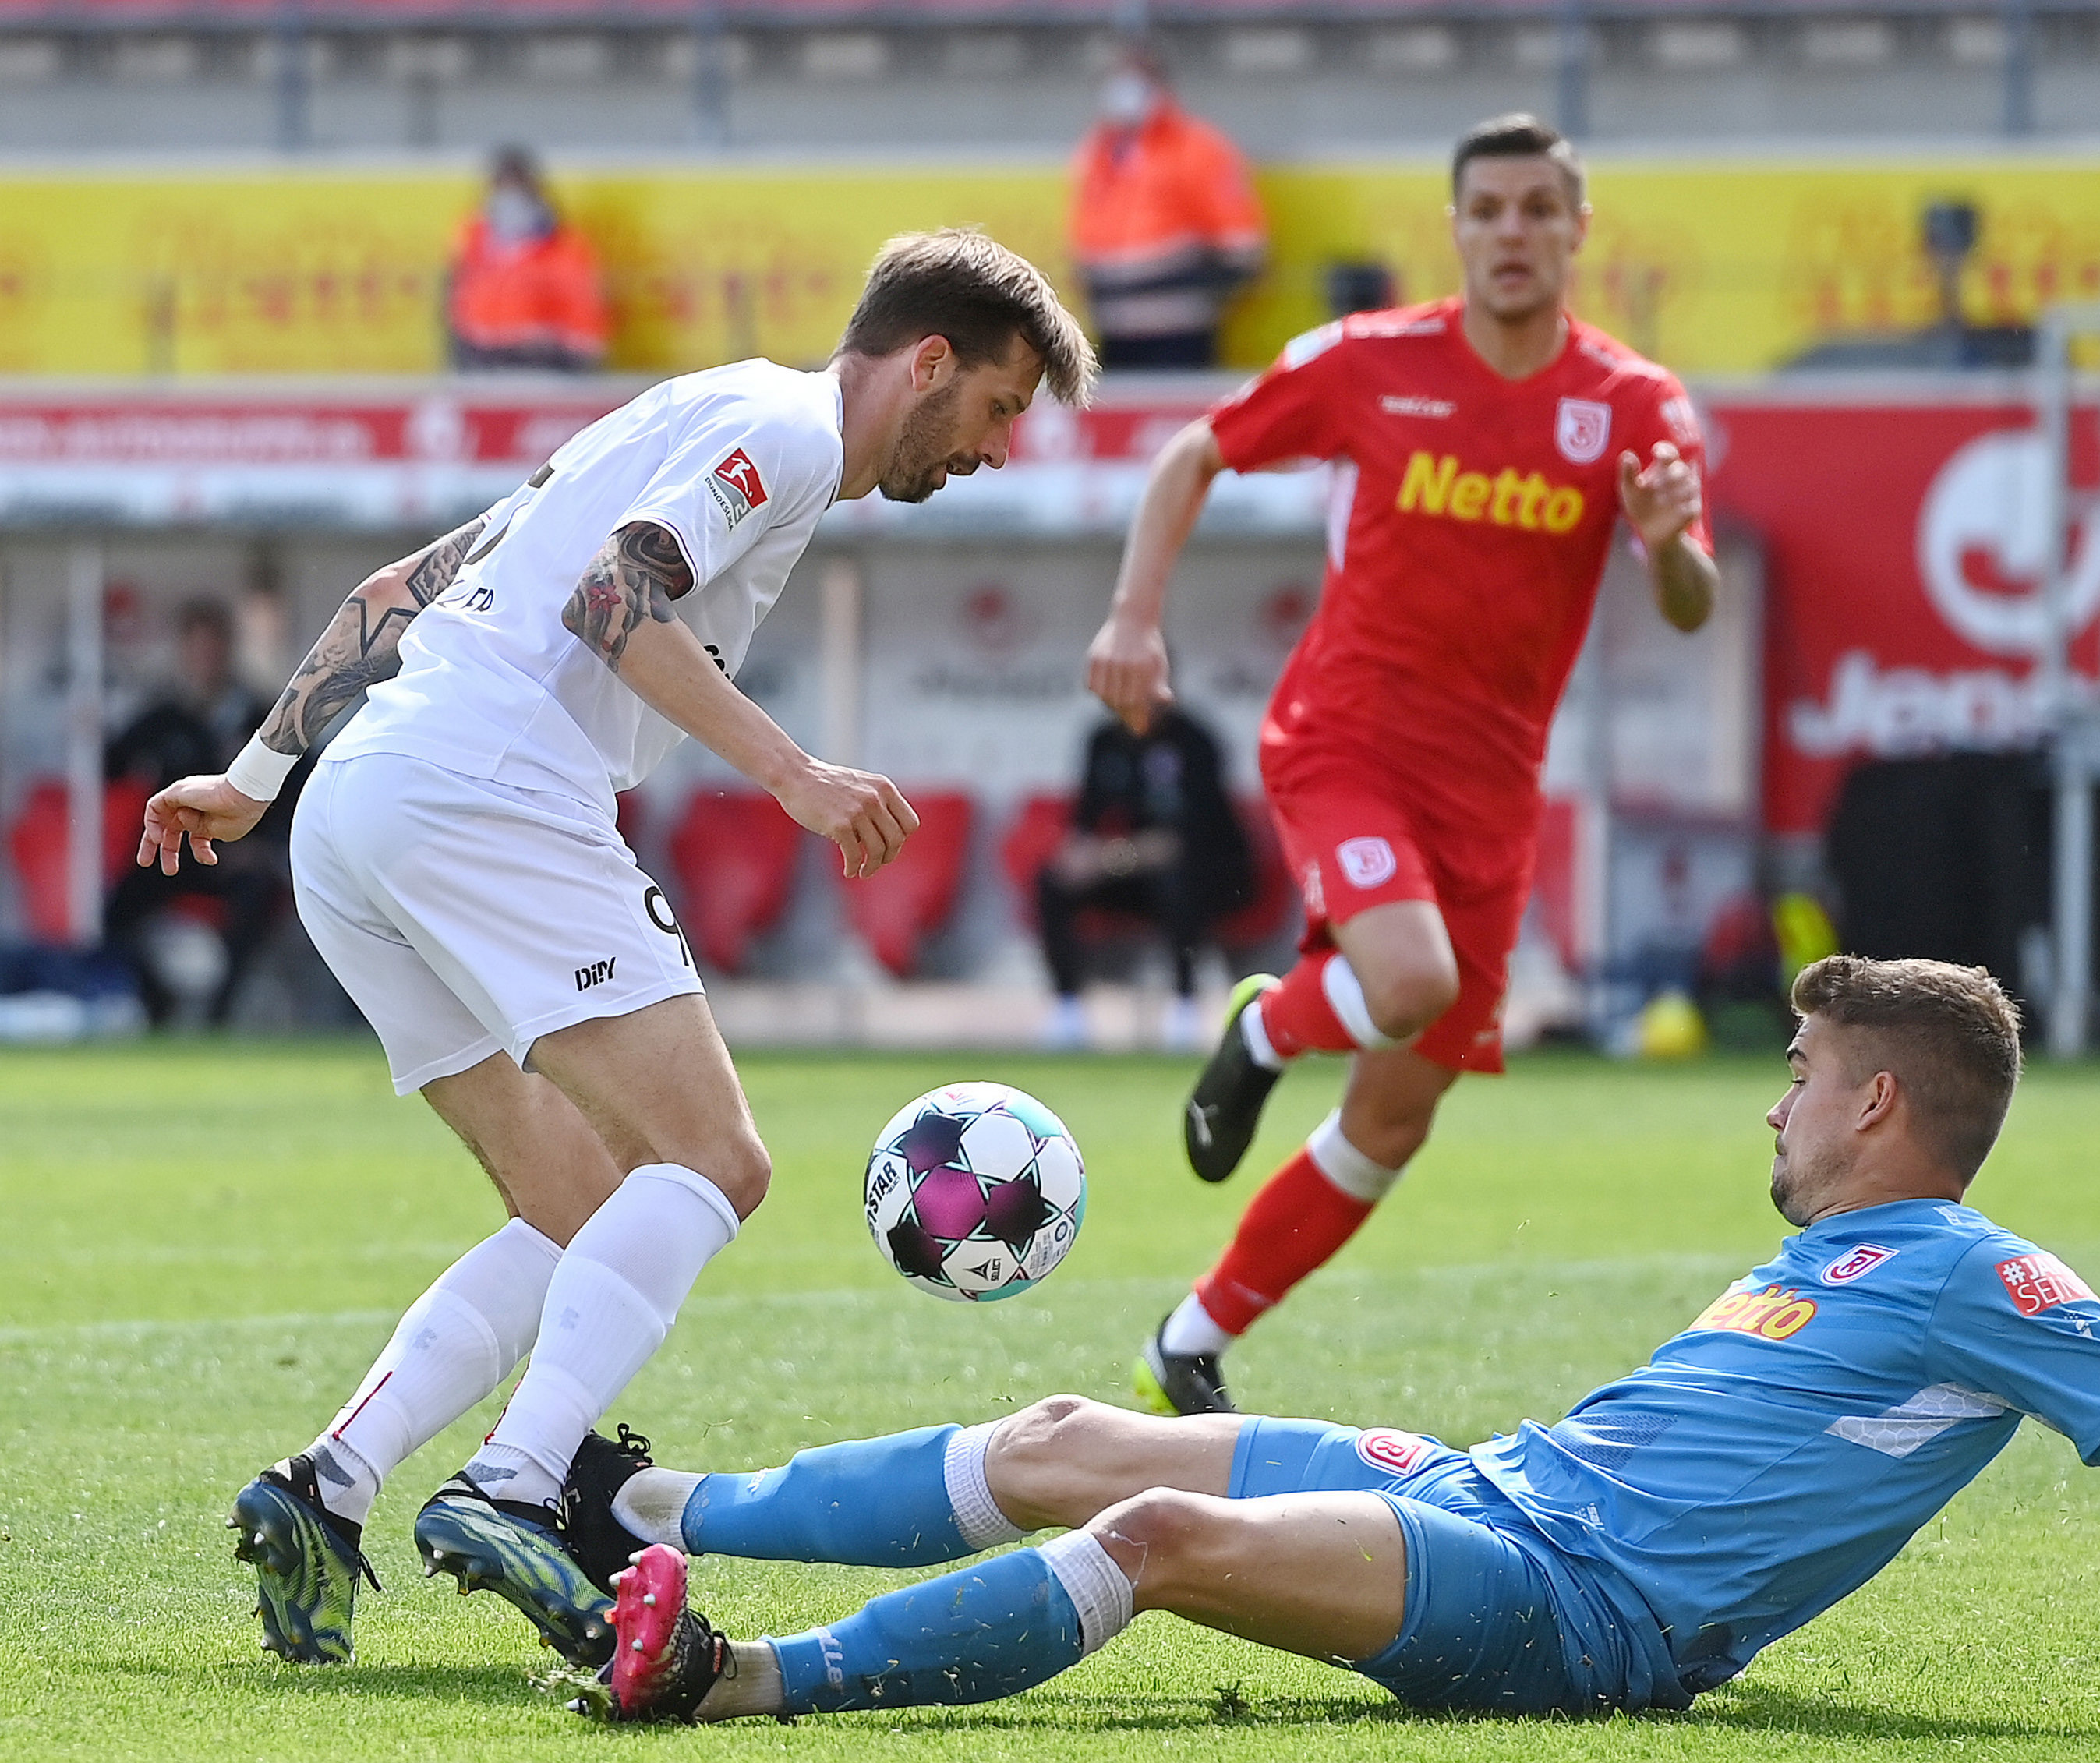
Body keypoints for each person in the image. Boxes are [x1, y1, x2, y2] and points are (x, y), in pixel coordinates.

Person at [550, 956, 2100, 1749]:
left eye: (1797, 1076)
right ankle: (631, 1499)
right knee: (1068, 1429)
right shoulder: (1851, 1249)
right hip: (1491, 1483)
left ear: (1880, 1099)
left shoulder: (1986, 1282)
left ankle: (734, 1679)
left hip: (1574, 1608)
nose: (1772, 1106)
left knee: (1147, 1530)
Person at [137, 229, 1096, 1669]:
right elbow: (610, 604)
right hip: (490, 793)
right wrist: (798, 776)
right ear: (929, 360)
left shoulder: (686, 410)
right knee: (717, 1162)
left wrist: (260, 777)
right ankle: (518, 1484)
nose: (998, 447)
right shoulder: (779, 430)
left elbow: (405, 583)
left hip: (360, 808)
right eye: (1002, 406)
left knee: (575, 1196)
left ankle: (325, 1484)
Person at [1084, 114, 1719, 1416]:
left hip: (1490, 794)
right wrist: (1133, 615)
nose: (1510, 232)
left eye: (1537, 208)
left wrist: (1663, 544)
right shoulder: (1374, 362)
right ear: (1455, 226)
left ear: (1575, 229)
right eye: (1485, 208)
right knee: (1408, 977)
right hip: (1347, 736)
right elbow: (1191, 450)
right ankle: (1262, 1031)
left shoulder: (1632, 407)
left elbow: (1691, 603)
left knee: (1390, 1119)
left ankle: (1185, 1344)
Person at [102, 597, 284, 1026]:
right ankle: (145, 1007)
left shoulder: (261, 718)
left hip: (237, 849)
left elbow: (295, 789)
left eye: (214, 647)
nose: (206, 658)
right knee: (119, 904)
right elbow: (109, 765)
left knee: (255, 896)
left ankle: (221, 1014)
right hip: (176, 849)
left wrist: (263, 848)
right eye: (197, 647)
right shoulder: (164, 719)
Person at [1036, 702, 1254, 1052]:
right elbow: (1086, 822)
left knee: (1179, 882)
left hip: (1210, 876)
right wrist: (1078, 856)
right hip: (1130, 870)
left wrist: (1109, 857)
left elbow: (1182, 842)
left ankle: (1184, 1005)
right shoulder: (1104, 741)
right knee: (1054, 882)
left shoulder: (1194, 740)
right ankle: (1068, 1009)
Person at [1067, 43, 1266, 369]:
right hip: (1110, 328)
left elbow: (1243, 251)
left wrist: (1182, 281)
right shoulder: (1100, 150)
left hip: (1179, 331)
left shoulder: (1199, 149)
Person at [446, 147, 611, 373]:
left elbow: (585, 312)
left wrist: (575, 360)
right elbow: (454, 302)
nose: (510, 196)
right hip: (482, 364)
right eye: (502, 185)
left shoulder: (564, 245)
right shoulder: (473, 239)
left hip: (547, 365)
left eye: (518, 186)